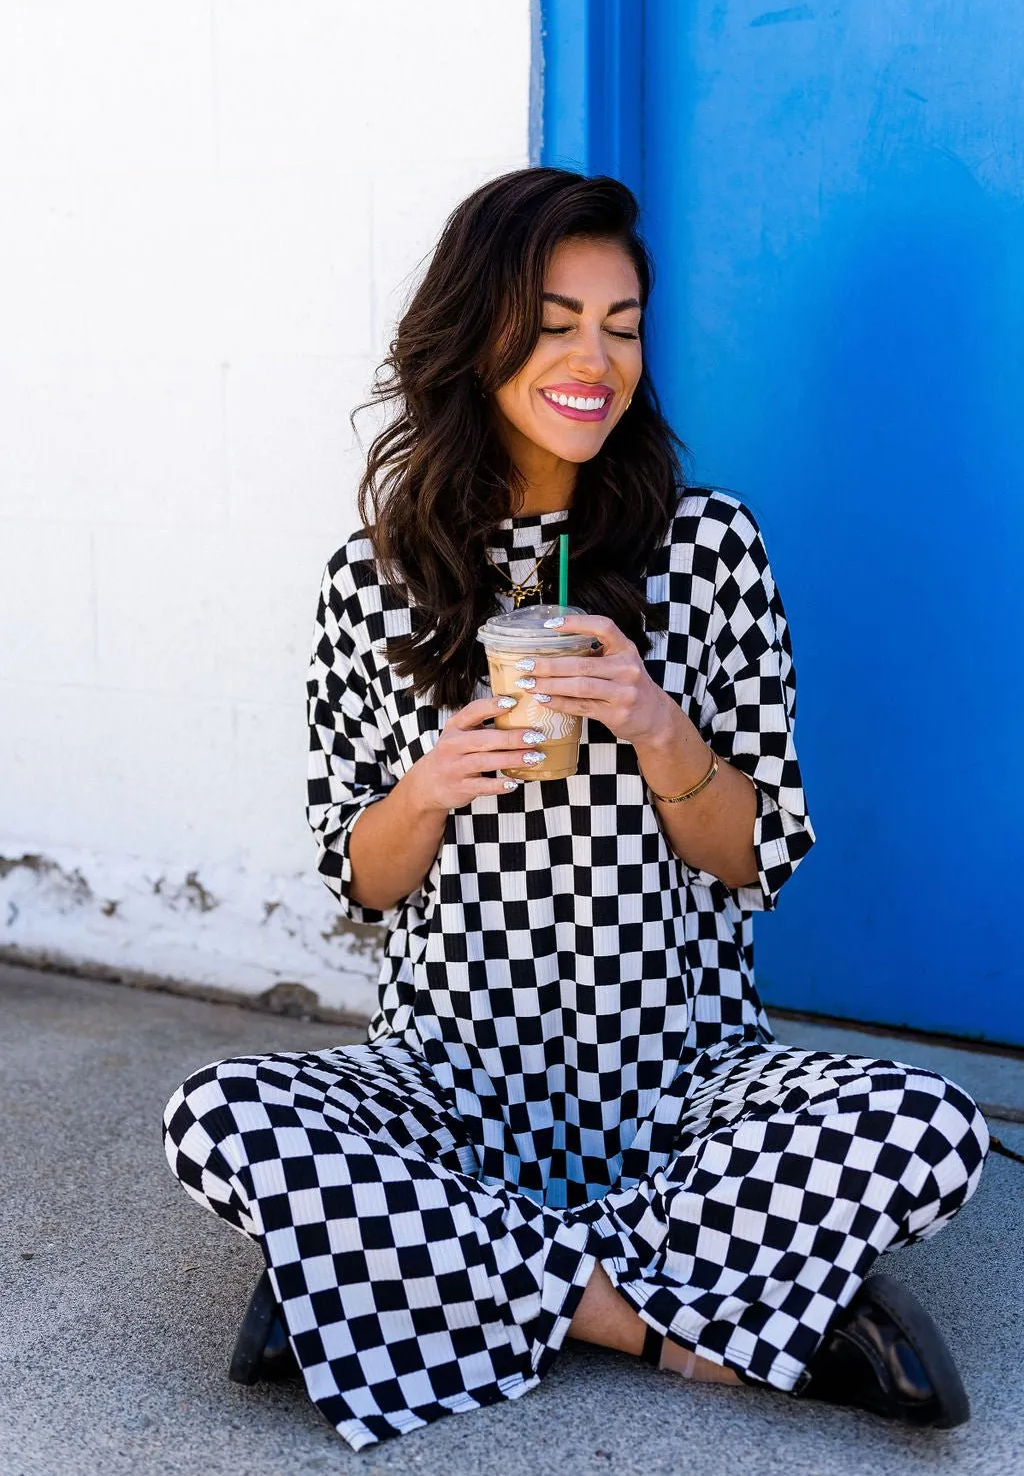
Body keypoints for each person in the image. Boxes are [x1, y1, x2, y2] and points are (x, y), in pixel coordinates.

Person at [162, 168, 988, 1452]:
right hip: (448, 1073)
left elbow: (756, 857)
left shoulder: (707, 549)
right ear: (473, 330)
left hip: (682, 1074)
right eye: (552, 322)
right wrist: (429, 785)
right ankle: (654, 1317)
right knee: (216, 1117)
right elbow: (362, 880)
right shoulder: (375, 577)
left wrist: (659, 727)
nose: (591, 359)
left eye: (619, 322)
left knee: (929, 1129)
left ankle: (389, 1283)